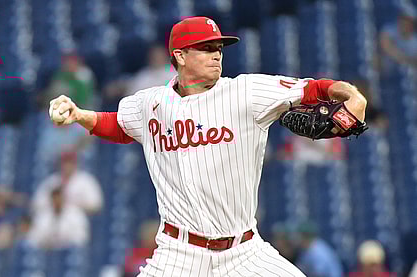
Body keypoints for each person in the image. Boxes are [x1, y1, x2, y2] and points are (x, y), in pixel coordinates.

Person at [48, 16, 367, 276]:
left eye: (219, 47)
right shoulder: (150, 103)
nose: (217, 54)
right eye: (205, 47)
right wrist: (80, 114)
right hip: (178, 254)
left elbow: (313, 89)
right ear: (180, 55)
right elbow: (118, 125)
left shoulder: (246, 91)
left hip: (244, 252)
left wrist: (353, 96)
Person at [32, 151, 103, 216]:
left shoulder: (86, 180)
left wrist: (73, 204)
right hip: (52, 223)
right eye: (65, 162)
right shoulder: (52, 181)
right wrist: (55, 203)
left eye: (70, 162)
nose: (67, 165)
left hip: (76, 223)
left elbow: (96, 205)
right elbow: (36, 204)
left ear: (76, 163)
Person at [379, 4, 417, 73]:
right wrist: (404, 58)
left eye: (408, 21)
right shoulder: (389, 30)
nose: (404, 23)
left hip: (408, 71)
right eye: (403, 19)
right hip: (387, 68)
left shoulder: (415, 40)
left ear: (412, 23)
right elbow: (385, 46)